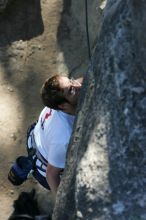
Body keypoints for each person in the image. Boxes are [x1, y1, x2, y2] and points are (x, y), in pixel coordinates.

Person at [8, 75, 83, 197]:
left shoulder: (55, 101)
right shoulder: (64, 136)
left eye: (71, 80)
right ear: (62, 105)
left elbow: (78, 84)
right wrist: (63, 207)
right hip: (45, 169)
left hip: (37, 140)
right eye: (71, 90)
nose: (77, 85)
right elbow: (51, 175)